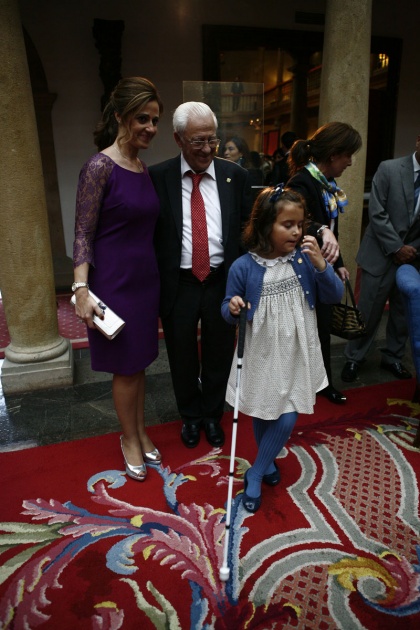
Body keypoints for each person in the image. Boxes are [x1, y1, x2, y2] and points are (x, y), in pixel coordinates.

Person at [221, 186, 344, 512]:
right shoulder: (243, 267)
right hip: (262, 350)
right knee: (265, 408)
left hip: (297, 347)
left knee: (288, 415)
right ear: (264, 226)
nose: (296, 231)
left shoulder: (305, 259)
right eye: (286, 224)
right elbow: (226, 307)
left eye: (300, 224)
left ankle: (257, 471)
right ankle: (269, 463)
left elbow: (334, 294)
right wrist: (233, 306)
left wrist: (322, 265)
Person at [73, 77, 163, 482]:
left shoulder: (142, 168)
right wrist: (80, 289)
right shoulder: (98, 166)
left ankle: (141, 431)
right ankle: (128, 438)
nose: (150, 127)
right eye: (142, 118)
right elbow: (82, 233)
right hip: (113, 283)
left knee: (141, 364)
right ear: (120, 117)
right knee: (126, 368)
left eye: (155, 120)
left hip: (146, 281)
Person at [149, 102, 252, 449]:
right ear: (178, 139)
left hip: (222, 281)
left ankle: (212, 415)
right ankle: (190, 417)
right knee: (181, 355)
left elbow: (250, 226)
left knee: (219, 352)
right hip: (178, 283)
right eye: (198, 141)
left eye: (213, 140)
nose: (207, 149)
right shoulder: (157, 177)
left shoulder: (233, 175)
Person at [287, 121, 362, 404]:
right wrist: (319, 229)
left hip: (322, 266)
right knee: (305, 329)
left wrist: (339, 261)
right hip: (304, 269)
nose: (351, 163)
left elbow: (332, 227)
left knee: (321, 328)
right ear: (334, 155)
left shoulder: (325, 183)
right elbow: (297, 222)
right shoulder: (302, 181)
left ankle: (323, 383)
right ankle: (301, 385)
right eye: (348, 155)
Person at [341, 134, 420, 383]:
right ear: (418, 141)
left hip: (413, 258)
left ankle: (393, 357)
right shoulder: (389, 168)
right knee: (369, 310)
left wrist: (412, 249)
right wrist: (397, 247)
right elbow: (377, 212)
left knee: (402, 313)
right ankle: (354, 358)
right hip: (380, 253)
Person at [223, 136, 264, 201]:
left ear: (241, 153)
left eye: (230, 149)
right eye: (225, 149)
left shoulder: (250, 173)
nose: (226, 153)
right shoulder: (224, 171)